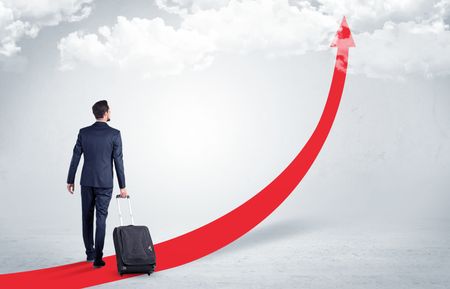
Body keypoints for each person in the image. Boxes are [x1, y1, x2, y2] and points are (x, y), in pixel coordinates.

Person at [66, 100, 128, 269]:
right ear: (106, 113)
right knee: (101, 218)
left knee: (86, 217)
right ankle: (98, 258)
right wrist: (123, 186)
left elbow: (76, 157)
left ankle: (89, 253)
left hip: (86, 182)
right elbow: (118, 161)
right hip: (105, 183)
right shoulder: (115, 134)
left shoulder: (84, 132)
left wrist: (70, 179)